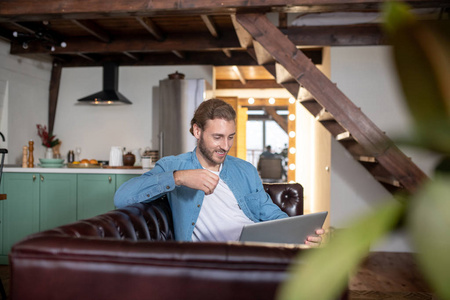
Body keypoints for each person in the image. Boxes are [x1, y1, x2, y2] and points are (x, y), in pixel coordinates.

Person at [114, 98, 323, 245]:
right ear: (197, 131)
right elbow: (122, 197)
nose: (225, 145)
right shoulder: (173, 166)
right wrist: (179, 178)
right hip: (213, 260)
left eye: (230, 137)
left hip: (253, 251)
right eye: (217, 137)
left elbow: (269, 213)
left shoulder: (245, 170)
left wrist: (299, 231)